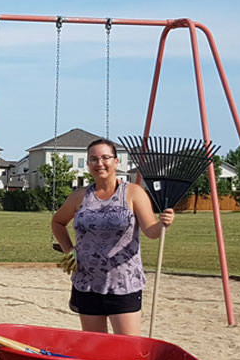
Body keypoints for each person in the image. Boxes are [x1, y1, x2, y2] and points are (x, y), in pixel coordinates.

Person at [49, 137, 174, 336]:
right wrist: (69, 251)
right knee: (95, 348)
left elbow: (151, 231)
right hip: (87, 282)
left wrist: (163, 223)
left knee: (127, 347)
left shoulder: (133, 193)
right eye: (93, 159)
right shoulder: (80, 197)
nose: (100, 163)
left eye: (105, 157)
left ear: (116, 161)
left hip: (123, 283)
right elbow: (57, 222)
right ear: (88, 164)